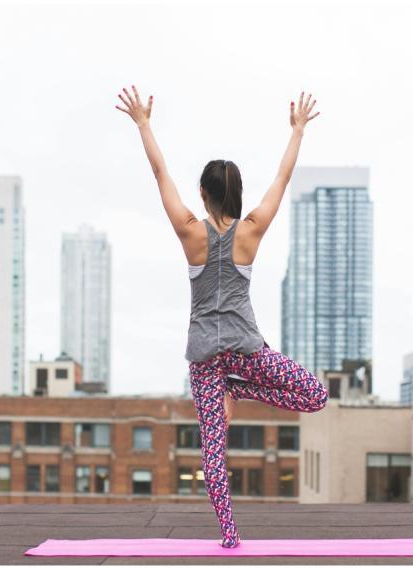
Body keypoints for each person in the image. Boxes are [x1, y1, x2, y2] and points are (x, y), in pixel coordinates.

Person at [115, 85, 328, 548]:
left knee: (213, 447)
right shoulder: (251, 230)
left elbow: (158, 173)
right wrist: (297, 131)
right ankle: (241, 390)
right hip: (247, 351)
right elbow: (282, 180)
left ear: (203, 193)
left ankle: (229, 537)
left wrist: (144, 124)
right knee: (316, 396)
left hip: (205, 360)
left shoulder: (190, 231)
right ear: (237, 194)